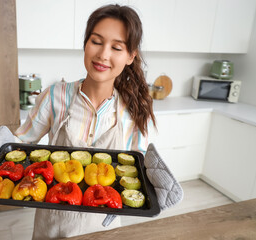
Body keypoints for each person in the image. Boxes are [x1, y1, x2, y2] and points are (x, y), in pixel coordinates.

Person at [14, 4, 156, 239]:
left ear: (131, 56)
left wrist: (156, 180)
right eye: (96, 41)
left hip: (103, 223)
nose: (103, 55)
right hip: (54, 220)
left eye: (116, 47)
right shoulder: (55, 96)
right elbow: (20, 142)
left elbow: (136, 170)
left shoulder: (132, 111)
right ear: (85, 44)